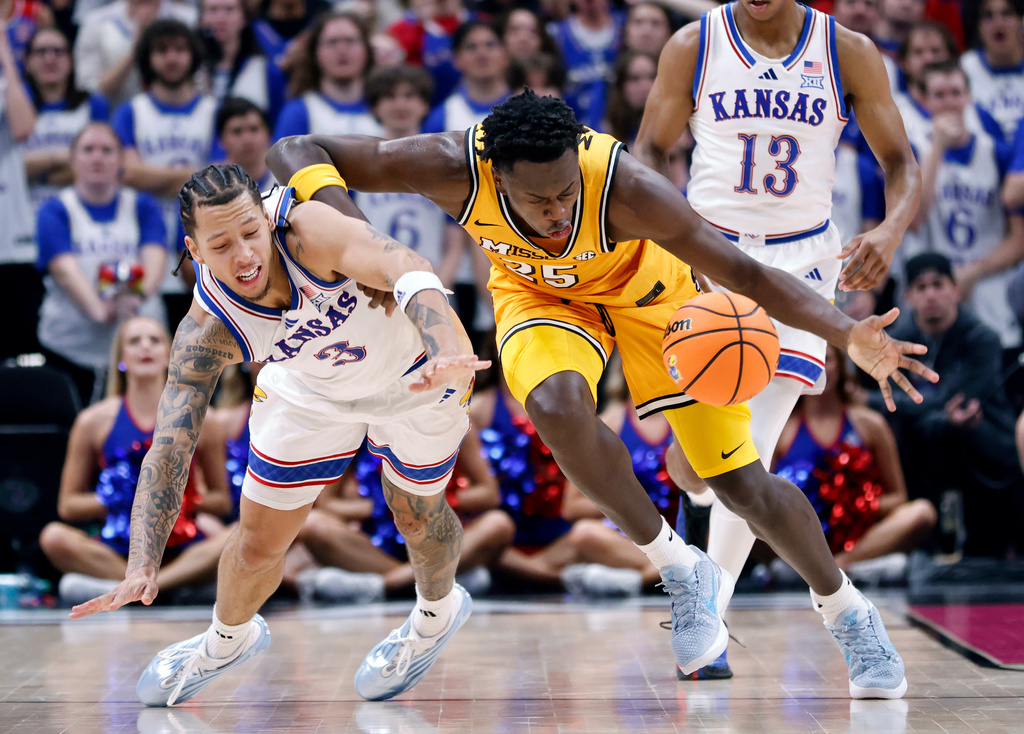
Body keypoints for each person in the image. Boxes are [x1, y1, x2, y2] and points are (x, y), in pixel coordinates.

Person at [268, 89, 934, 698]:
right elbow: (295, 151)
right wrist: (363, 242)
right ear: (495, 176)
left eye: (564, 193)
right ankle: (680, 569)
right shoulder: (448, 165)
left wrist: (849, 335)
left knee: (738, 483)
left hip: (653, 296)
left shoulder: (628, 188)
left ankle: (848, 611)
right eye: (539, 200)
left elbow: (746, 271)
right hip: (540, 297)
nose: (557, 211)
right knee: (555, 405)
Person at [69, 163, 491, 707]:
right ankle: (226, 640)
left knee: (416, 512)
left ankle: (436, 615)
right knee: (257, 542)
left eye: (250, 232)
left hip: (419, 369)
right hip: (312, 391)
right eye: (220, 244)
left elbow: (406, 265)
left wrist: (446, 350)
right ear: (195, 252)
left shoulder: (308, 230)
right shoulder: (206, 330)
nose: (243, 254)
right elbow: (170, 449)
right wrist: (141, 564)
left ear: (266, 220)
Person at [632, 0, 921, 680]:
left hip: (803, 270)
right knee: (699, 466)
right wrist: (661, 229)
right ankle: (696, 521)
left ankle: (708, 626)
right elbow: (647, 150)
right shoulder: (692, 44)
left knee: (748, 451)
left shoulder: (845, 50)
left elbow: (900, 164)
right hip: (707, 260)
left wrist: (888, 231)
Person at [38, 316, 233, 606]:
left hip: (184, 546)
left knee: (240, 533)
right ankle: (169, 586)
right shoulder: (93, 421)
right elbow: (68, 505)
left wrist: (186, 496)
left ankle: (145, 588)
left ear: (170, 353)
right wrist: (119, 497)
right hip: (121, 548)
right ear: (121, 357)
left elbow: (222, 502)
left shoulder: (205, 418)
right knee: (53, 537)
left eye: (154, 340)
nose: (145, 347)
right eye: (134, 341)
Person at [872, 252, 1024, 557]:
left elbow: (954, 400)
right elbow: (882, 394)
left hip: (984, 442)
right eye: (921, 287)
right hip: (927, 441)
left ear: (956, 290)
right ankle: (915, 548)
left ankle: (987, 550)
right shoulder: (898, 340)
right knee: (904, 430)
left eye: (938, 284)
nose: (930, 294)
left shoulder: (983, 338)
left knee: (938, 428)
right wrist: (923, 412)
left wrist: (903, 407)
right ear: (908, 296)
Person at [773, 344, 937, 583]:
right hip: (802, 537)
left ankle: (833, 569)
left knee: (922, 512)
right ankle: (851, 569)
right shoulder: (781, 429)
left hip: (862, 535)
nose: (819, 369)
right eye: (811, 362)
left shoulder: (870, 424)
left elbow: (898, 498)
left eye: (826, 360)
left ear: (840, 366)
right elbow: (763, 499)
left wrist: (854, 505)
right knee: (742, 520)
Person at [35, 122, 168, 406]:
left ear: (121, 160)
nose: (97, 157)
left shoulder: (142, 205)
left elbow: (155, 259)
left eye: (107, 150)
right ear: (73, 160)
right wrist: (99, 309)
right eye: (88, 150)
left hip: (138, 349)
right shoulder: (55, 209)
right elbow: (63, 269)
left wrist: (134, 300)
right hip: (70, 349)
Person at [909, 60, 1024, 351]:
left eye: (955, 92)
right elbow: (915, 219)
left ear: (968, 97)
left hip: (988, 286)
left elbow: (1019, 238)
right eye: (939, 94)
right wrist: (937, 148)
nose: (948, 102)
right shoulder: (913, 151)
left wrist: (973, 271)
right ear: (923, 100)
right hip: (932, 292)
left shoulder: (996, 152)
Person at [112, 19, 218, 331]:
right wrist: (194, 175)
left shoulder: (214, 111)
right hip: (141, 240)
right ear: (147, 58)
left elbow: (221, 178)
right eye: (161, 50)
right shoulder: (131, 111)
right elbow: (128, 173)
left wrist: (152, 176)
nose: (171, 58)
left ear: (193, 55)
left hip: (204, 239)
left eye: (179, 49)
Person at [21, 27, 109, 212]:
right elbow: (9, 168)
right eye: (41, 52)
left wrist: (39, 173)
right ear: (27, 62)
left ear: (71, 61)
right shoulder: (13, 109)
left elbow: (105, 164)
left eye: (58, 51)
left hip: (81, 212)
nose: (50, 58)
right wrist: (56, 160)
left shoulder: (94, 104)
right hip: (22, 212)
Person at [272, 11, 382, 140]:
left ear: (367, 50)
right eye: (332, 42)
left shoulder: (391, 106)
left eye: (350, 41)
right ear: (315, 53)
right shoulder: (299, 112)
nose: (342, 50)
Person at [0, 15, 40, 362]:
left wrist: (2, 42)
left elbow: (25, 126)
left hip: (11, 244)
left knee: (20, 356)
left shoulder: (5, 87)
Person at [199, 0, 287, 128]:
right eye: (213, 10)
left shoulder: (266, 70)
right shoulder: (189, 67)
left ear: (244, 17)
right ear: (201, 18)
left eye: (229, 10)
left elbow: (277, 122)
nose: (221, 18)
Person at [960, 0, 1024, 143]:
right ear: (979, 28)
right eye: (988, 16)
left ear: (1020, 21)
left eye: (1006, 14)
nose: (998, 23)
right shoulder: (966, 67)